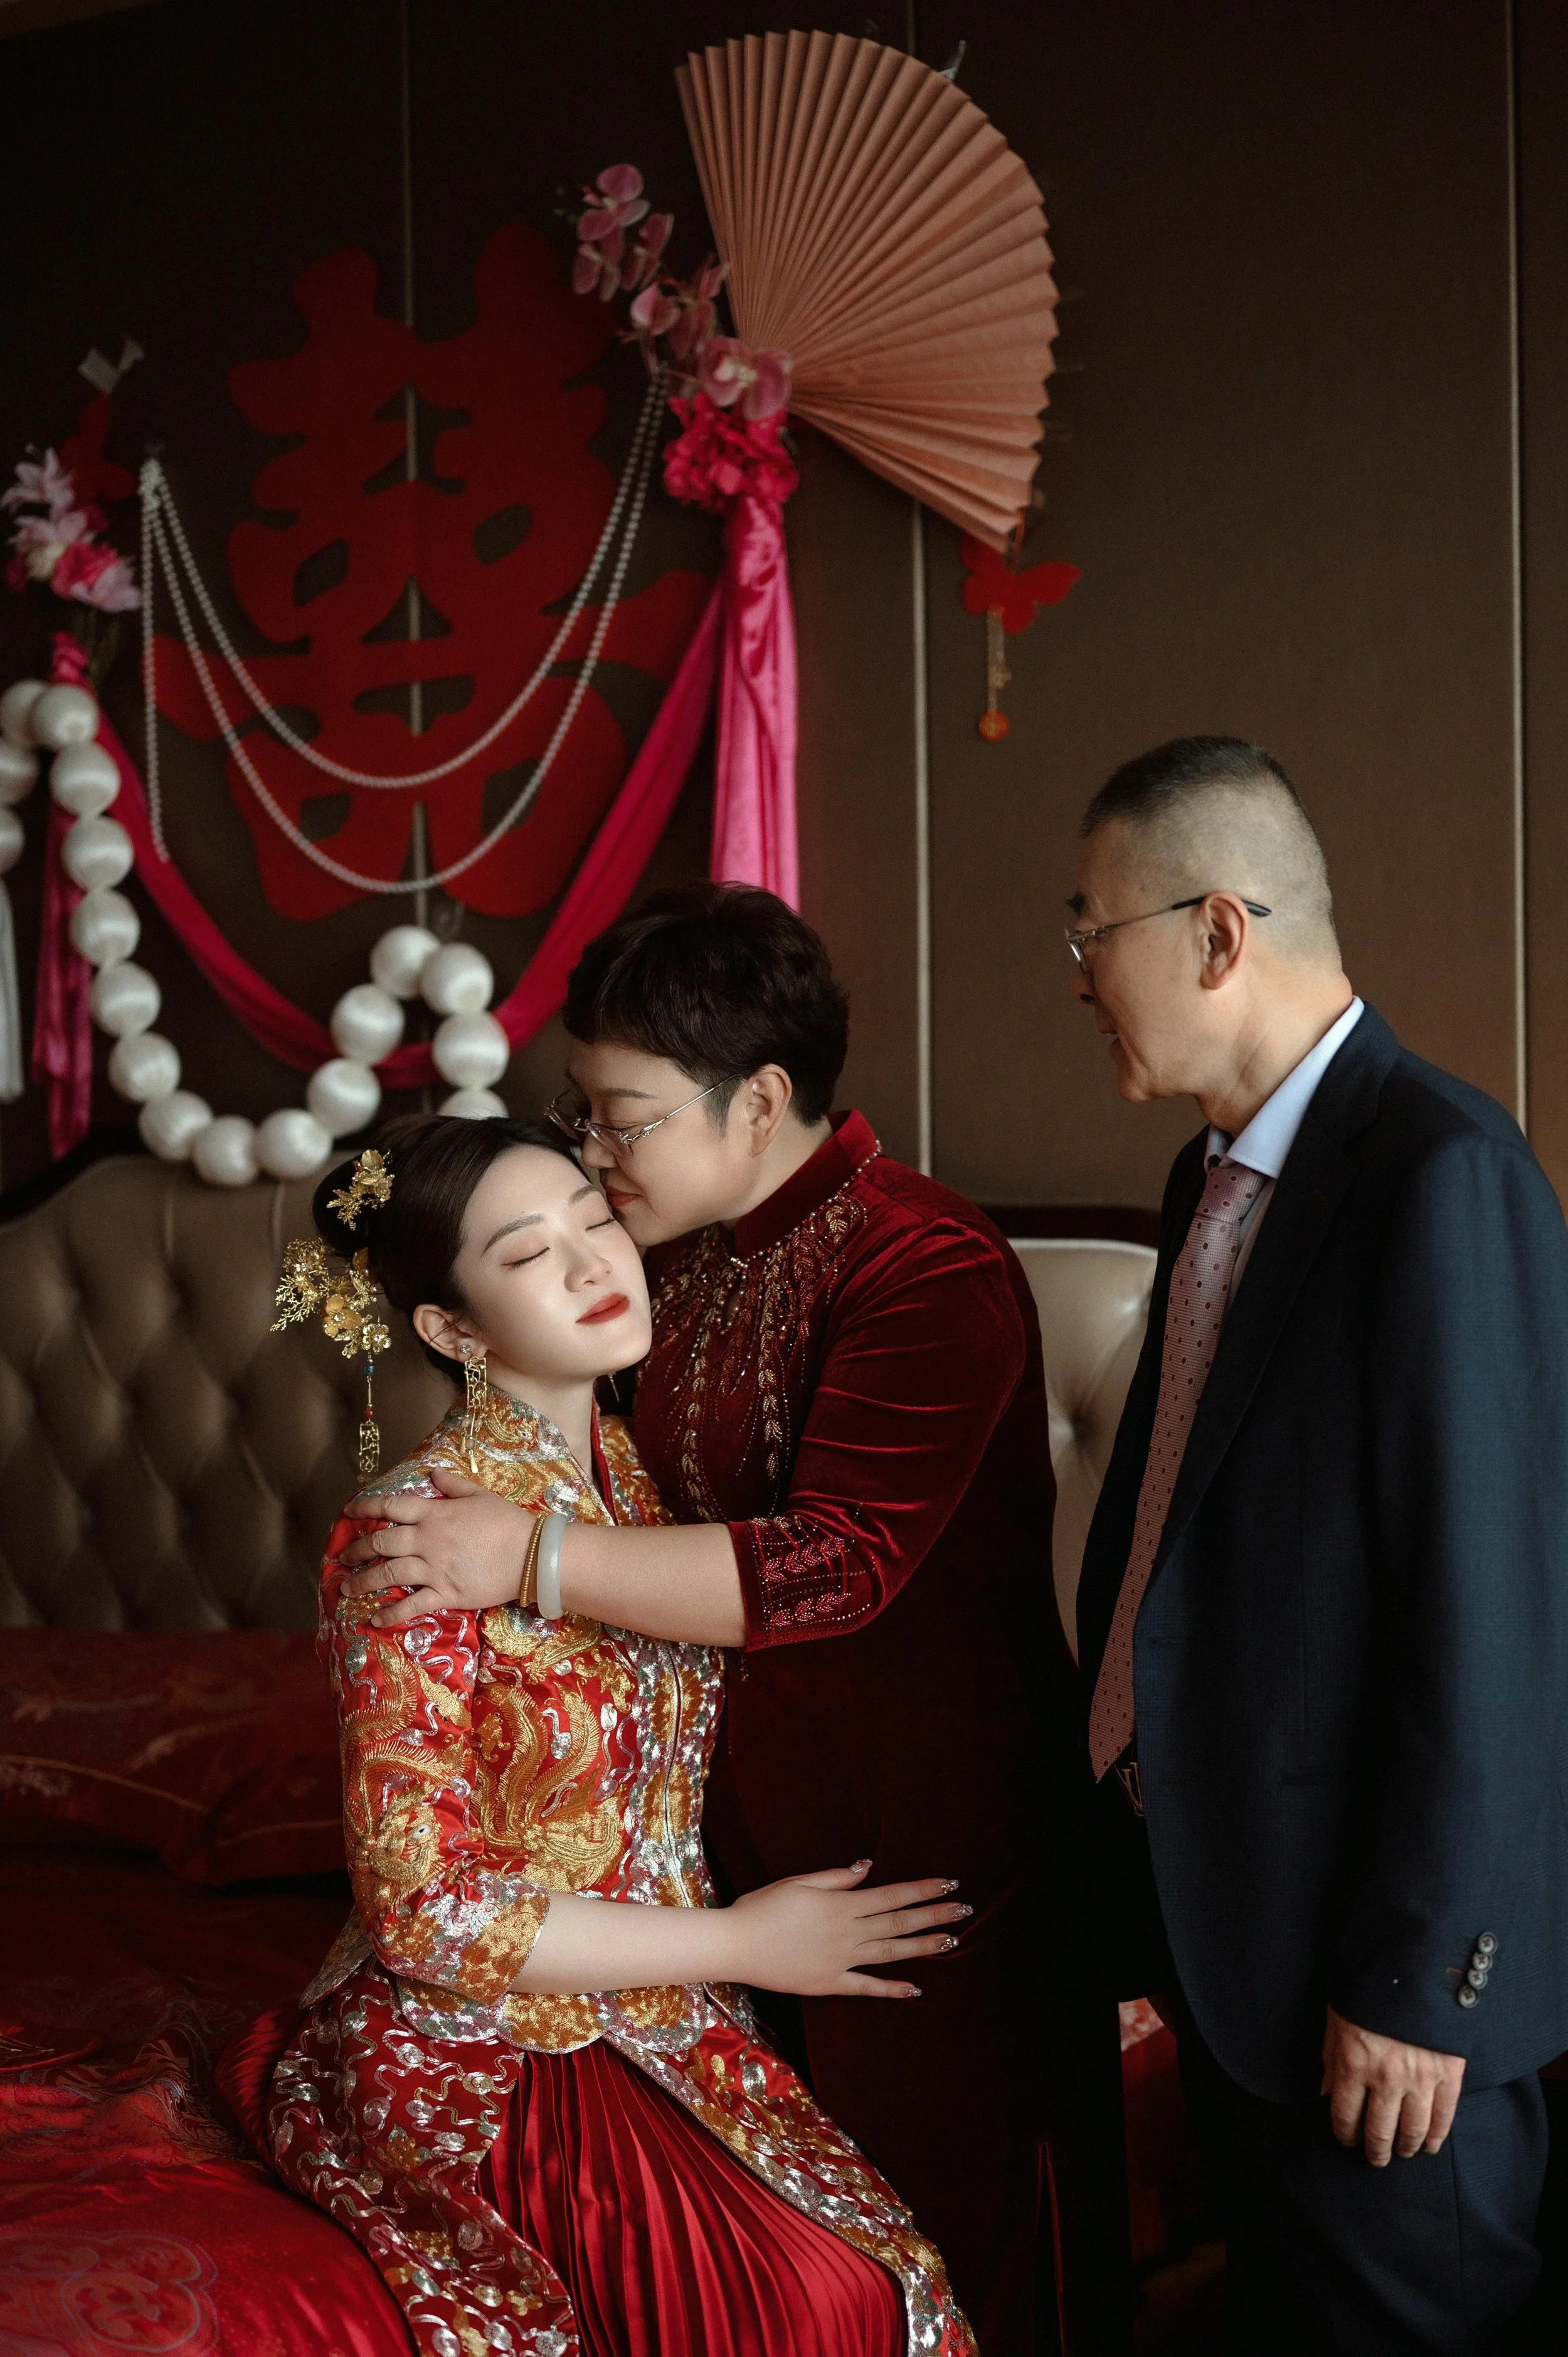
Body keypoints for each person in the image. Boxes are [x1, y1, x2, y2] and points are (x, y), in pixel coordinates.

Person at [336, 887, 1124, 2356]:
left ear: (755, 1101)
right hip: (710, 1879)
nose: (592, 1163)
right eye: (579, 1118)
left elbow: (833, 1569)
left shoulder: (922, 1266)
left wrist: (524, 1556)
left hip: (921, 1865)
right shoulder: (669, 1264)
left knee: (951, 2271)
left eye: (617, 1123)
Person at [237, 1115, 976, 2357]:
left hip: (670, 1993)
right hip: (477, 2026)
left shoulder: (642, 1486)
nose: (594, 1265)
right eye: (530, 1255)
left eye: (595, 1220)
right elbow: (423, 1911)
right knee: (800, 2303)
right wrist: (745, 1937)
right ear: (452, 1331)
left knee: (881, 2275)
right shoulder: (405, 1537)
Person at [1068, 736, 1568, 2353]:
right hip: (1233, 1944)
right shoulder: (1205, 1174)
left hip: (1378, 1989)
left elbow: (1489, 1611)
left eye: (1094, 934)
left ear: (1216, 933)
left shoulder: (1437, 1171)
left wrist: (1425, 1979)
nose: (1078, 976)